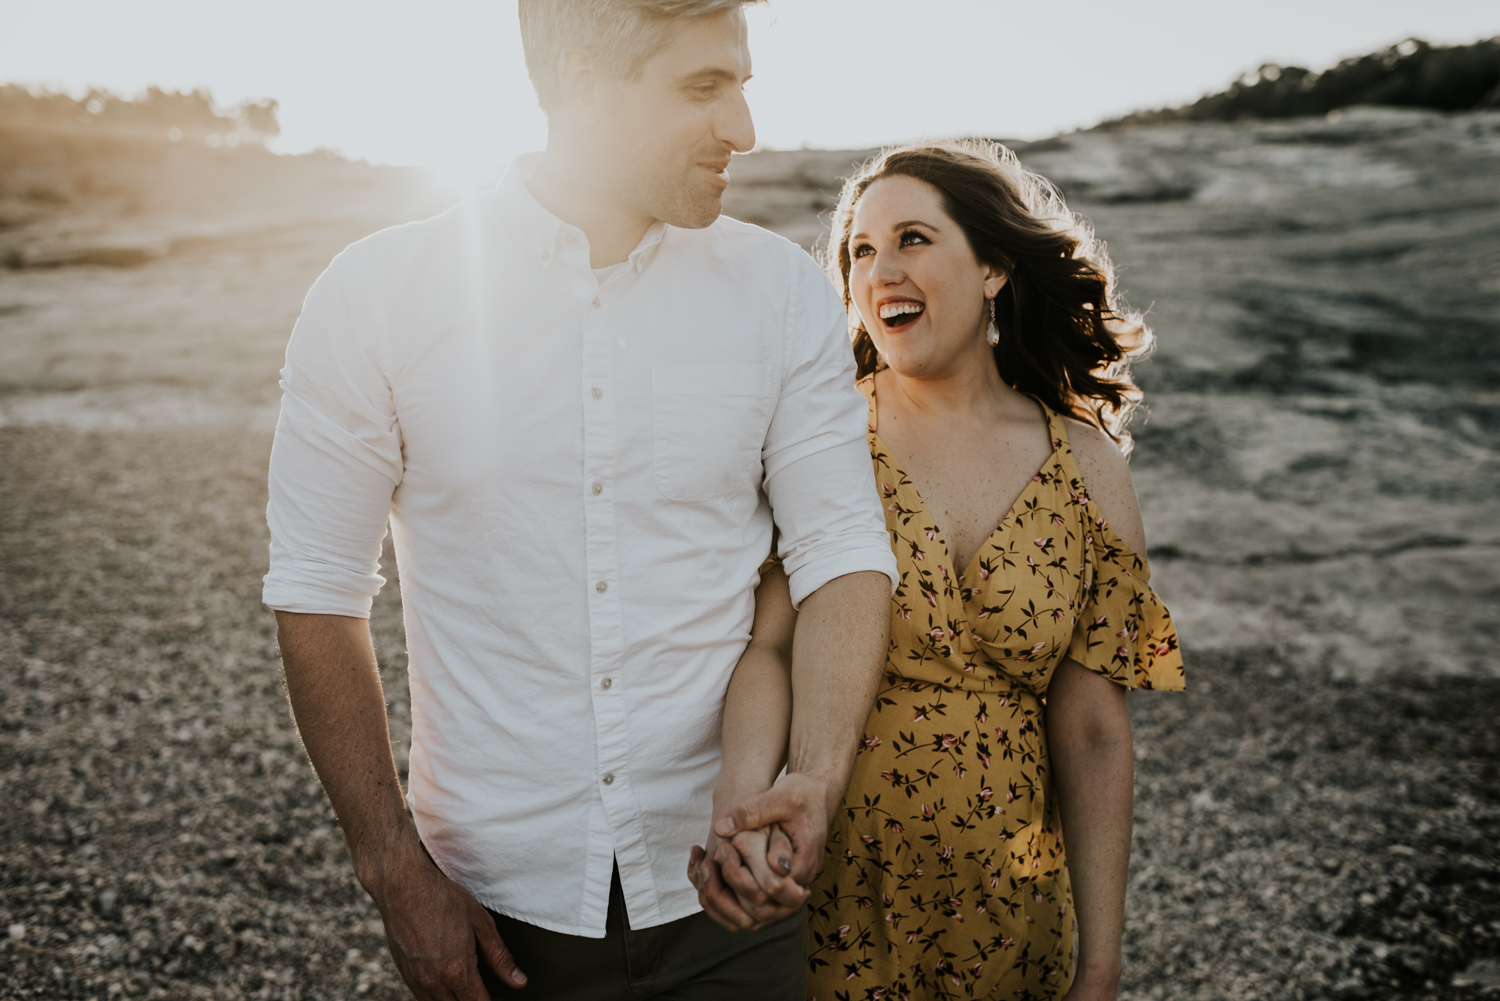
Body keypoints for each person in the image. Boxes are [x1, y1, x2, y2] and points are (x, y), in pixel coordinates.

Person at [261, 2, 898, 998]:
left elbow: (842, 546)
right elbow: (318, 589)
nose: (743, 129)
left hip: (738, 897)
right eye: (702, 87)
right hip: (495, 914)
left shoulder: (780, 292)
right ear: (583, 81)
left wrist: (811, 776)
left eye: (742, 85)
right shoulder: (377, 294)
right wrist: (392, 869)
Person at [711, 141, 1186, 1000]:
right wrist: (743, 812)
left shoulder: (1087, 466)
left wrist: (1103, 966)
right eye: (860, 250)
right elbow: (770, 649)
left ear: (995, 266)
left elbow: (1093, 731)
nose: (879, 268)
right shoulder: (823, 438)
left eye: (913, 239)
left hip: (1010, 907)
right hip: (830, 887)